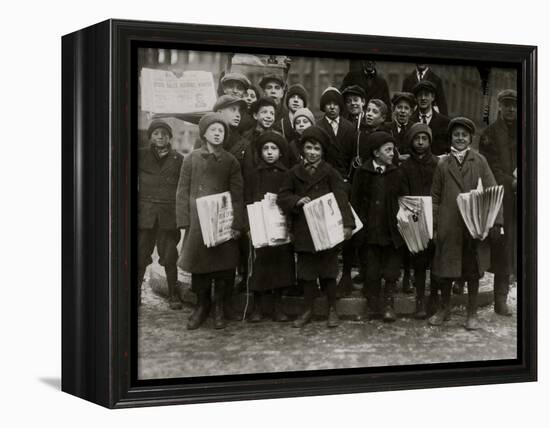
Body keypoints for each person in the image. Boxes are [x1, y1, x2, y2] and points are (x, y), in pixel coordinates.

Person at [429, 117, 503, 330]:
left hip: (473, 227)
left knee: (471, 271)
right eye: (456, 135)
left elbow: (493, 192)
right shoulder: (443, 163)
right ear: (451, 138)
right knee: (445, 271)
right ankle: (444, 309)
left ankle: (472, 313)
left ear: (470, 138)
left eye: (464, 135)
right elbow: (434, 196)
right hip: (449, 225)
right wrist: (434, 226)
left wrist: (496, 222)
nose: (460, 138)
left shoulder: (479, 161)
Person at [278, 126, 355, 328]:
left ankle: (332, 309)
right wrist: (296, 200)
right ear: (303, 149)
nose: (312, 152)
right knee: (307, 274)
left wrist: (347, 224)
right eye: (309, 148)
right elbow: (283, 197)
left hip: (327, 230)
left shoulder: (330, 173)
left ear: (323, 152)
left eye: (317, 149)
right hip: (304, 230)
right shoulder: (293, 173)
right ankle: (307, 309)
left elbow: (342, 198)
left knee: (329, 273)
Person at [176, 113, 244, 330]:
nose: (217, 134)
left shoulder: (230, 161)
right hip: (198, 223)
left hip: (223, 222)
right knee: (200, 267)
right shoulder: (192, 159)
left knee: (224, 268)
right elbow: (182, 191)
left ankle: (219, 308)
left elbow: (237, 194)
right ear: (204, 133)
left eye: (221, 131)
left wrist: (236, 224)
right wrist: (185, 221)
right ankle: (202, 305)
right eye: (213, 130)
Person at [351, 132, 404, 322]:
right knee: (371, 270)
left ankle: (389, 305)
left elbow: (404, 199)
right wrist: (357, 228)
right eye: (388, 150)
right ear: (375, 153)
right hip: (369, 232)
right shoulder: (363, 173)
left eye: (393, 149)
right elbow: (355, 201)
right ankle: (372, 305)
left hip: (391, 231)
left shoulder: (396, 173)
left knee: (391, 270)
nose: (392, 153)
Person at [244, 131, 296, 322]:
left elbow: (289, 197)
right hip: (260, 227)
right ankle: (257, 306)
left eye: (274, 148)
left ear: (281, 152)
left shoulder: (287, 174)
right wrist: (248, 226)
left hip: (279, 226)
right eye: (265, 148)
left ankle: (277, 305)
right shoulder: (254, 174)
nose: (269, 152)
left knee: (281, 265)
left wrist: (289, 225)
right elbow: (247, 199)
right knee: (260, 265)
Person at [138, 119, 184, 310]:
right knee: (140, 255)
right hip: (145, 215)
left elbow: (182, 188)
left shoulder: (178, 159)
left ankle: (173, 294)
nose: (160, 137)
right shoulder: (140, 155)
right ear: (150, 136)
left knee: (170, 256)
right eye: (156, 133)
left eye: (164, 134)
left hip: (168, 215)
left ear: (170, 137)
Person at [479, 89, 517, 316]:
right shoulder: (490, 134)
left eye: (515, 105)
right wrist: (511, 182)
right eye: (507, 105)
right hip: (501, 199)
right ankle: (500, 298)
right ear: (500, 106)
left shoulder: (530, 128)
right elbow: (490, 168)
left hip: (525, 198)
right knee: (502, 247)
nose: (512, 109)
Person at [316, 87, 357, 295]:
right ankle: (326, 277)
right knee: (327, 229)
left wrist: (348, 176)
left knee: (347, 227)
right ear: (323, 106)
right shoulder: (318, 125)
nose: (332, 107)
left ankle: (347, 274)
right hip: (325, 183)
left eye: (335, 103)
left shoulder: (350, 128)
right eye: (328, 103)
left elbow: (353, 156)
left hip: (345, 182)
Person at [399, 123, 440, 318]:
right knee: (419, 261)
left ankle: (434, 297)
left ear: (430, 141)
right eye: (417, 139)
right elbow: (404, 193)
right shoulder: (406, 166)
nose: (421, 142)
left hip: (434, 218)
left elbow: (440, 190)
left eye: (424, 139)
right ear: (411, 141)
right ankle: (420, 300)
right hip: (415, 219)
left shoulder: (438, 164)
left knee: (436, 259)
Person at [242, 96, 298, 171]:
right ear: (255, 115)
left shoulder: (279, 137)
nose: (269, 116)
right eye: (264, 112)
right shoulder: (246, 136)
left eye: (272, 113)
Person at [411, 80, 450, 156]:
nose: (423, 98)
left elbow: (447, 150)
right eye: (420, 95)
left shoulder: (445, 122)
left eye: (426, 95)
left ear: (433, 97)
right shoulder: (410, 121)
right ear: (416, 99)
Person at [212, 95, 249, 165]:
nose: (238, 115)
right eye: (233, 109)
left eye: (239, 111)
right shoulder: (205, 141)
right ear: (219, 112)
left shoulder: (245, 144)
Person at [385, 92, 416, 161]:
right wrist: (397, 157)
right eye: (399, 107)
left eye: (406, 108)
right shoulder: (386, 128)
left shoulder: (415, 128)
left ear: (411, 112)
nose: (402, 111)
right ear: (394, 109)